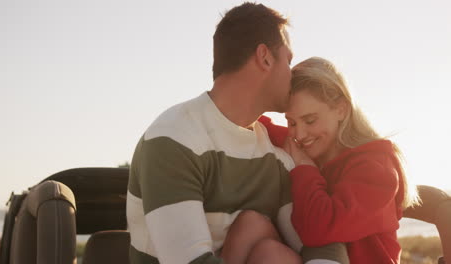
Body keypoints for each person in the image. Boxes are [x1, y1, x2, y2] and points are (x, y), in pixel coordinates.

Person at [126, 3, 348, 264]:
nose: (293, 75)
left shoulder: (278, 156)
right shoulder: (174, 138)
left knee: (268, 249)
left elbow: (320, 242)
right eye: (288, 61)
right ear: (265, 57)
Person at [260, 57, 421, 264]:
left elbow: (318, 230)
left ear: (341, 109)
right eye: (291, 122)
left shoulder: (376, 167)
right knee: (253, 227)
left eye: (310, 120)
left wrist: (305, 168)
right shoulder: (313, 146)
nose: (299, 133)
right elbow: (258, 127)